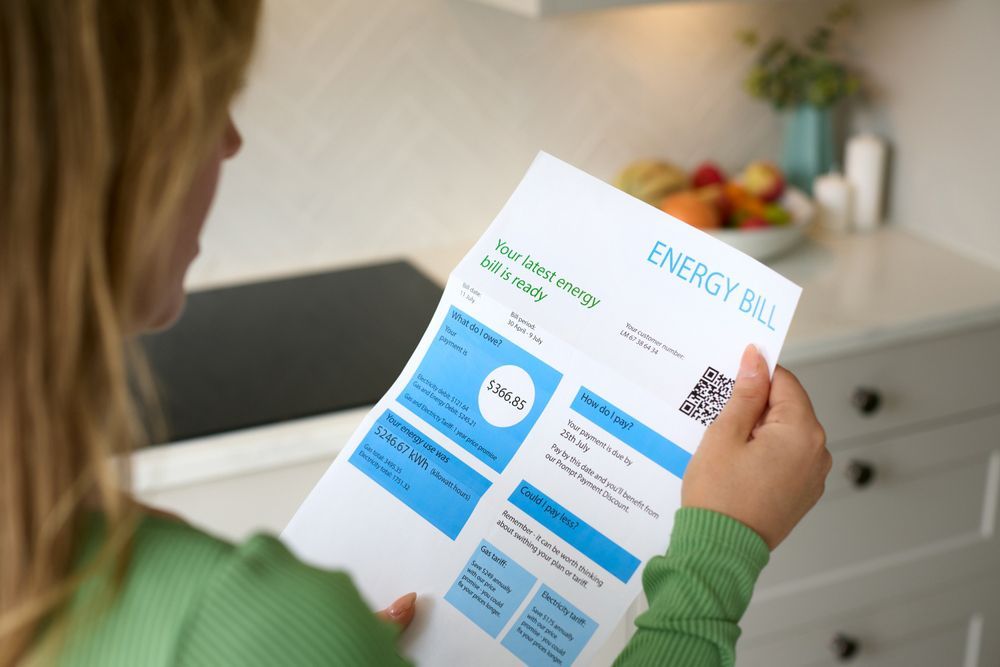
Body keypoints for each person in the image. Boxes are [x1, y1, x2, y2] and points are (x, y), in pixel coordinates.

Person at [0, 1, 831, 665]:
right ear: (101, 160)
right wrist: (725, 546)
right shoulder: (236, 618)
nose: (229, 139)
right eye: (206, 100)